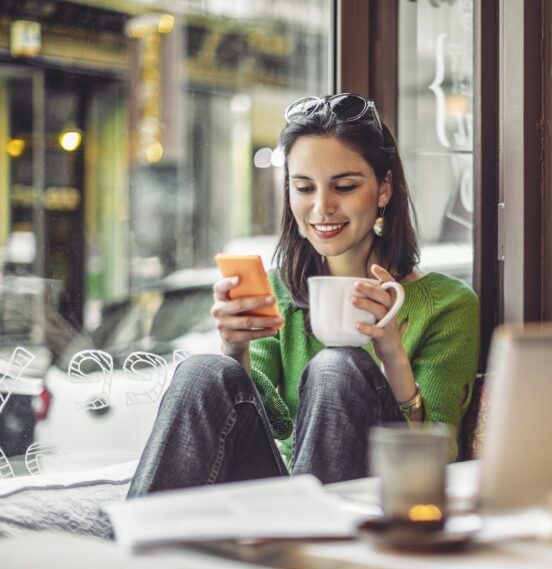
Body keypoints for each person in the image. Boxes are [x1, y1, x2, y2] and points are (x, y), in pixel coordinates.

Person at [127, 94, 479, 496]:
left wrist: (393, 357)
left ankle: (313, 545)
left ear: (384, 189)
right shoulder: (279, 289)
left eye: (344, 186)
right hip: (285, 496)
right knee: (203, 370)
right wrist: (234, 349)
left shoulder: (448, 305)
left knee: (337, 366)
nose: (322, 207)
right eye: (304, 187)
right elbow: (273, 422)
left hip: (375, 497)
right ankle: (132, 550)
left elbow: (433, 459)